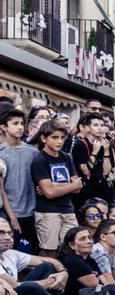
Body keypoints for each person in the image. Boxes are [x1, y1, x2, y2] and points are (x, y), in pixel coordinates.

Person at [31, 121, 83, 256]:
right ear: (44, 138)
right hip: (48, 212)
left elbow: (78, 187)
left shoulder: (66, 157)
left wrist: (54, 185)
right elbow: (49, 193)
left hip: (68, 209)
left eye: (62, 138)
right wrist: (69, 186)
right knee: (49, 251)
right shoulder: (40, 160)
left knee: (74, 249)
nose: (59, 141)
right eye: (54, 138)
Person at [0, 109, 38, 250]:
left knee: (31, 252)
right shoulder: (1, 153)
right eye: (15, 123)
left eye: (22, 123)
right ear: (4, 127)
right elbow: (1, 190)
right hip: (8, 213)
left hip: (32, 212)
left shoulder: (33, 152)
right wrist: (12, 217)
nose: (20, 127)